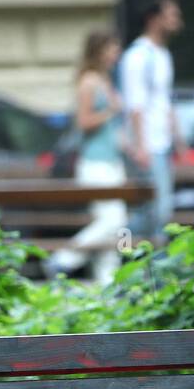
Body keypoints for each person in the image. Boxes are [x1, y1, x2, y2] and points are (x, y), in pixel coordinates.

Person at [45, 30, 128, 285]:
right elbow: (84, 122)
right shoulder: (89, 81)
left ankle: (108, 283)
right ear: (99, 50)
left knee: (113, 224)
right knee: (114, 220)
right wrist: (110, 111)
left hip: (112, 162)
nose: (117, 54)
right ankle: (63, 259)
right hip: (94, 163)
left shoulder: (105, 79)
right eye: (112, 48)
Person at [120, 0, 184, 244]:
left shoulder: (162, 55)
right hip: (148, 145)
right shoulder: (138, 56)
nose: (177, 21)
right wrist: (140, 145)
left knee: (159, 209)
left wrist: (177, 139)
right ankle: (119, 242)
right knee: (156, 209)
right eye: (171, 15)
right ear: (154, 19)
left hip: (162, 143)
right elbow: (135, 104)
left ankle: (152, 266)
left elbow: (163, 101)